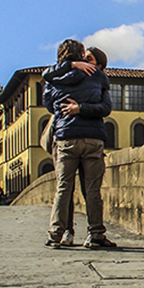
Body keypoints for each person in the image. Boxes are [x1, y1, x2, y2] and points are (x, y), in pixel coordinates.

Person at [42, 39, 115, 249]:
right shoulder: (98, 75)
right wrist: (84, 107)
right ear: (80, 54)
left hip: (66, 138)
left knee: (63, 188)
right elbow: (105, 108)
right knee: (92, 190)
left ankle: (56, 234)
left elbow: (50, 105)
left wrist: (75, 107)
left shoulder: (53, 79)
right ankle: (96, 235)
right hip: (93, 138)